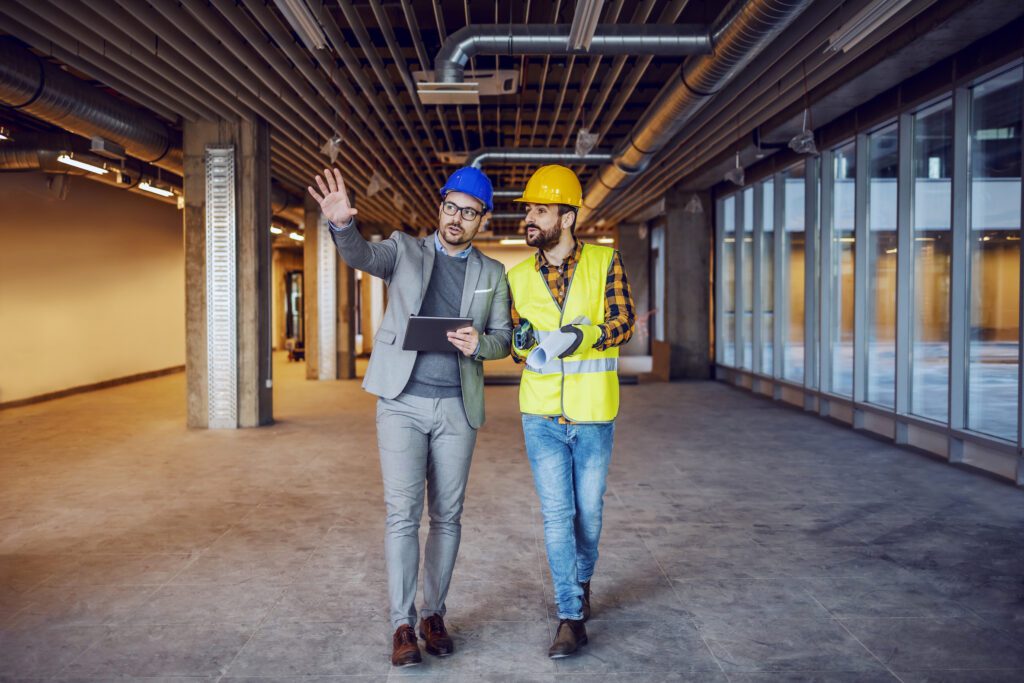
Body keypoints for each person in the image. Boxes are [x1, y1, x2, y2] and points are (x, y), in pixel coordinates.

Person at [308, 167, 512, 667]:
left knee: (447, 516)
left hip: (457, 409)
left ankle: (433, 615)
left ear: (482, 219)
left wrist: (480, 344)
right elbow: (361, 256)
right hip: (401, 403)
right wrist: (342, 226)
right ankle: (402, 624)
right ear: (440, 207)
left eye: (469, 212)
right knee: (402, 515)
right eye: (451, 207)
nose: (457, 218)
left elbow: (503, 338)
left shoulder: (491, 273)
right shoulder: (404, 250)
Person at [505, 165, 635, 658]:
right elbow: (516, 344)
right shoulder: (517, 277)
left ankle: (581, 582)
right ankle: (569, 616)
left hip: (593, 412)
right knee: (557, 516)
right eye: (529, 210)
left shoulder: (605, 261)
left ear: (567, 217)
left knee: (589, 514)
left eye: (541, 210)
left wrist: (585, 335)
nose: (530, 219)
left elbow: (623, 323)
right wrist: (521, 342)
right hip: (540, 415)